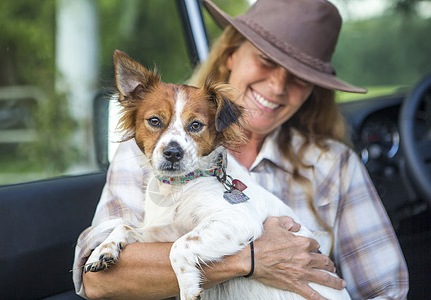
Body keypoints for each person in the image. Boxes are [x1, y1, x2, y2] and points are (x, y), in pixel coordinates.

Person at [73, 0, 409, 299]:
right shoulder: (142, 154)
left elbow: (386, 290)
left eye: (299, 76)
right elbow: (99, 282)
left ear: (313, 90)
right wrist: (248, 261)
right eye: (266, 60)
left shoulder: (333, 163)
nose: (277, 86)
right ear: (232, 53)